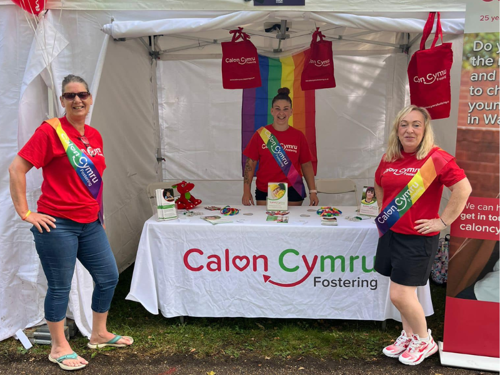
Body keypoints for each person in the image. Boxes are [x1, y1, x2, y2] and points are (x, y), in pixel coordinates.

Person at [9, 75, 133, 371]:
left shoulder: (94, 135)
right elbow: (17, 169)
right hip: (57, 224)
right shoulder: (50, 132)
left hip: (90, 224)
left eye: (83, 94)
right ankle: (58, 347)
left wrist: (99, 216)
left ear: (90, 98)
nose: (77, 100)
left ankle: (99, 333)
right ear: (62, 101)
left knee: (108, 277)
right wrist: (26, 213)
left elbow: (96, 181)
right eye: (70, 96)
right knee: (60, 286)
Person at [373, 105, 471, 366]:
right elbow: (379, 183)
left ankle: (424, 341)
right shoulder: (390, 157)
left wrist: (443, 221)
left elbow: (463, 189)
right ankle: (409, 335)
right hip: (391, 233)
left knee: (400, 295)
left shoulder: (437, 158)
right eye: (404, 124)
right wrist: (385, 211)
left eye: (416, 124)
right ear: (397, 128)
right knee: (402, 291)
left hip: (417, 238)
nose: (409, 130)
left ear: (425, 129)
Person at [242, 87, 319, 207]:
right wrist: (246, 191)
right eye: (277, 109)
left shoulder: (298, 136)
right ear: (272, 111)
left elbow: (306, 165)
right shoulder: (260, 134)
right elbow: (249, 164)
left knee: (292, 224)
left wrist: (312, 191)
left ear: (291, 112)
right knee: (266, 224)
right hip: (265, 189)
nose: (281, 113)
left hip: (293, 188)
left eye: (285, 109)